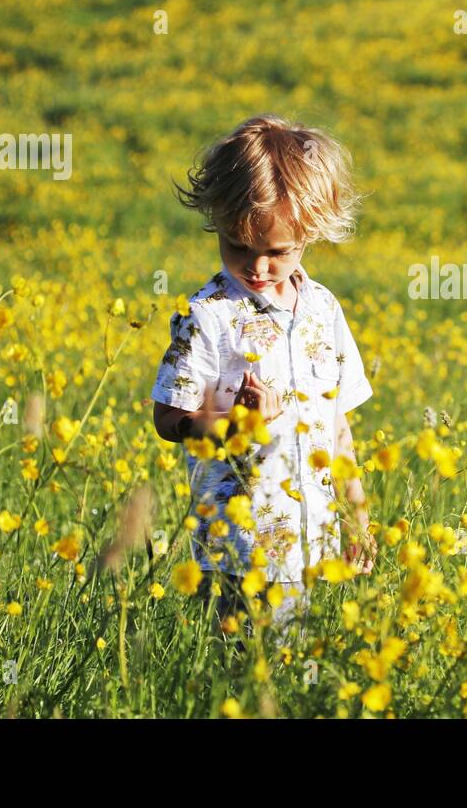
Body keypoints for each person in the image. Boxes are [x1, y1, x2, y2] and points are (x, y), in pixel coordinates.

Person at [150, 114, 377, 639]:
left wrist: (357, 517)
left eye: (276, 252)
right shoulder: (206, 315)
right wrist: (234, 424)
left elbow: (337, 425)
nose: (257, 267)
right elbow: (169, 417)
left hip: (313, 541)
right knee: (239, 677)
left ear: (312, 231)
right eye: (237, 246)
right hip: (236, 547)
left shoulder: (323, 309)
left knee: (299, 672)